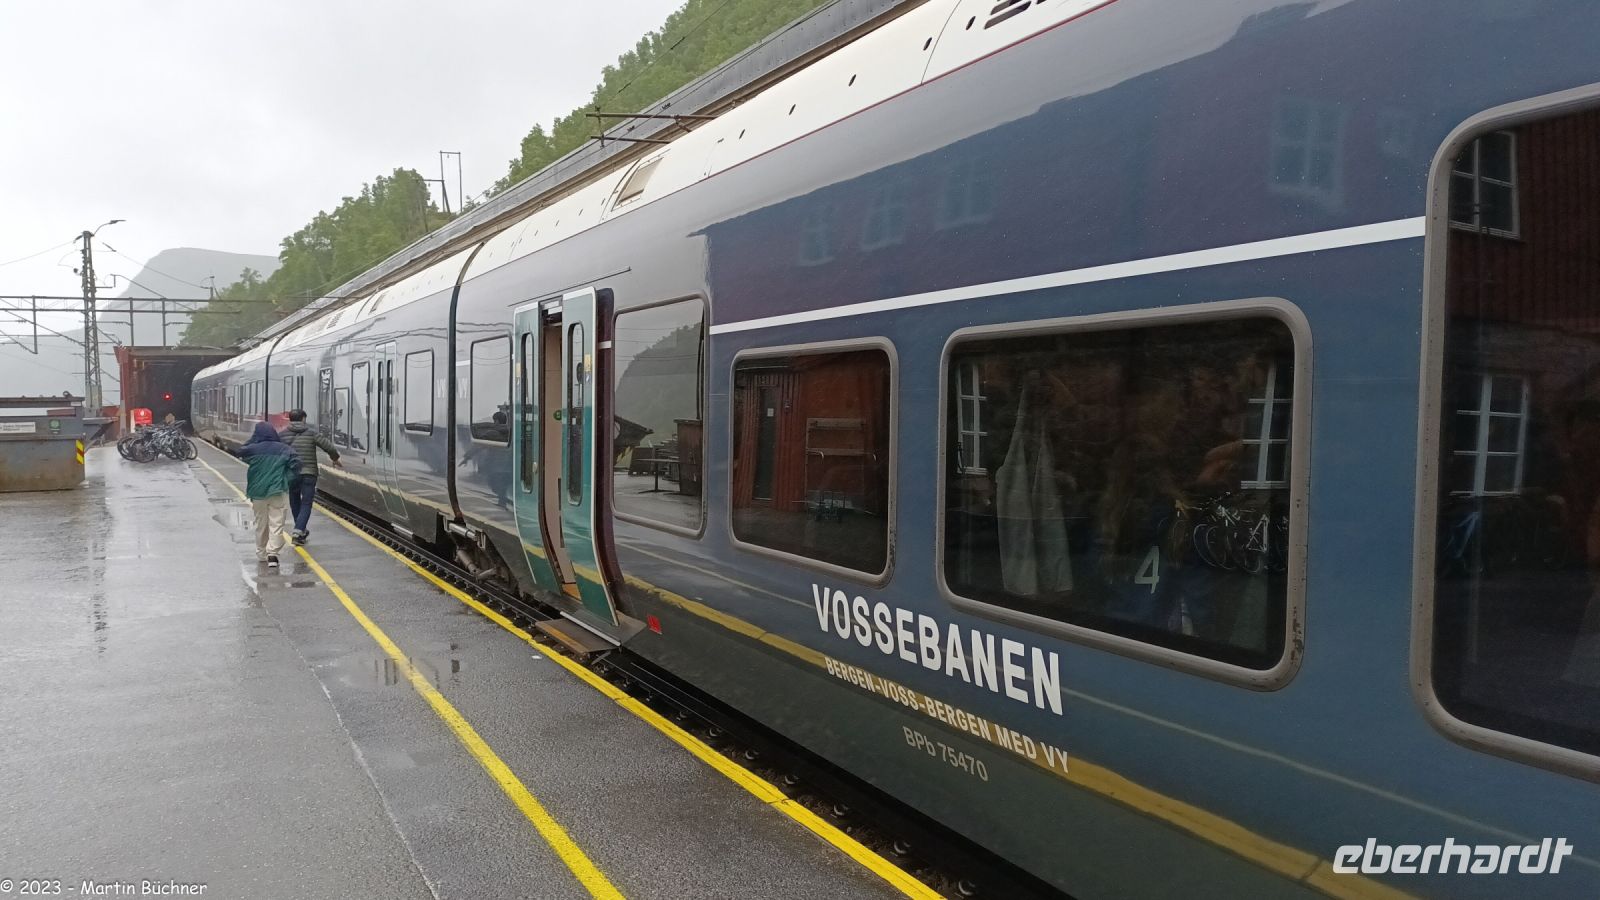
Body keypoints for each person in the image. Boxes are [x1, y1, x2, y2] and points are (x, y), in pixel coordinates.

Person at [237, 421, 301, 568]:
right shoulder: (285, 449)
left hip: (257, 492)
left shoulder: (252, 449)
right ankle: (273, 554)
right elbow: (296, 465)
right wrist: (287, 480)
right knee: (277, 523)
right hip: (278, 491)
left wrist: (254, 439)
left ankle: (261, 553)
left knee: (261, 524)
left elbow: (240, 451)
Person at [280, 409, 342, 544]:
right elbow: (329, 447)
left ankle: (299, 528)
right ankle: (298, 530)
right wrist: (335, 458)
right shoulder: (311, 433)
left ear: (290, 419)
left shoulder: (282, 435)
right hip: (309, 473)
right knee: (306, 503)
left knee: (294, 500)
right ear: (303, 419)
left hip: (291, 474)